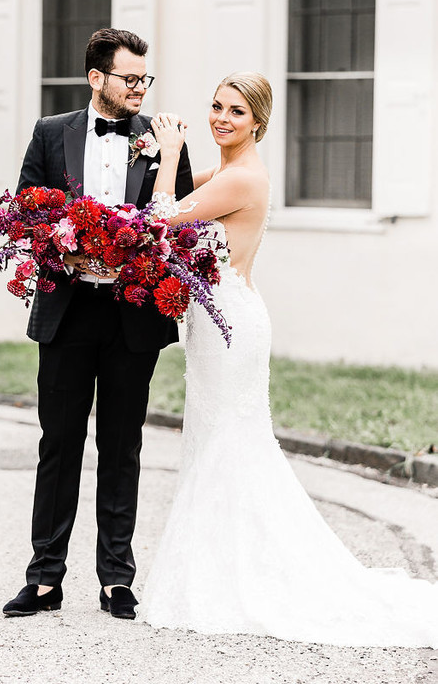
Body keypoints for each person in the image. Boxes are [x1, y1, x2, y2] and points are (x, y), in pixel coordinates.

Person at [138, 72, 438, 647]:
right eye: (216, 107)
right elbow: (168, 193)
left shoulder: (243, 179)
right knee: (213, 440)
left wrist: (173, 147)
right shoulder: (227, 173)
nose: (221, 119)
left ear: (258, 123)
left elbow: (158, 221)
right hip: (213, 325)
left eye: (236, 112)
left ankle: (244, 575)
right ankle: (223, 565)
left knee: (233, 443)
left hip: (233, 329)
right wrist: (153, 156)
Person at [3, 28, 193, 619]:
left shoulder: (163, 139)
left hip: (131, 316)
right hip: (69, 311)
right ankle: (44, 578)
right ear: (96, 79)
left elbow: (179, 222)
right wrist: (63, 251)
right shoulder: (50, 132)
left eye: (145, 78)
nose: (140, 88)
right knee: (58, 444)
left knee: (122, 445)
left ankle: (116, 577)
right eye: (129, 78)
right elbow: (26, 213)